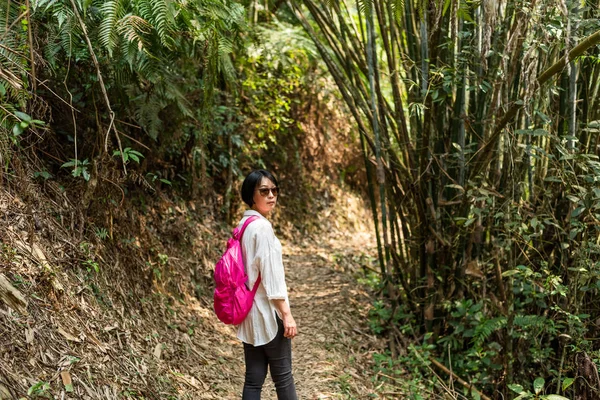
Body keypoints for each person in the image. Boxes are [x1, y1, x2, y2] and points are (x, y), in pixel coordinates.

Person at [237, 169, 298, 400]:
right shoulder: (262, 228)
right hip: (268, 314)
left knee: (253, 379)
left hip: (249, 313)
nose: (271, 195)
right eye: (264, 191)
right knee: (283, 377)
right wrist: (286, 314)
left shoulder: (245, 225)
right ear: (252, 195)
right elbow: (271, 277)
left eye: (274, 190)